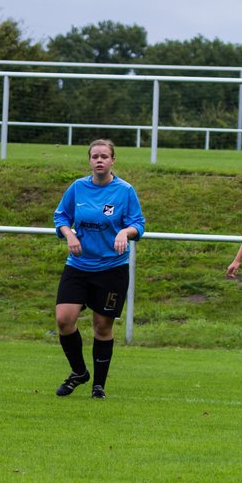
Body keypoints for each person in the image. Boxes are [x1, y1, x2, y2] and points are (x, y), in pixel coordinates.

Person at [51, 139, 146, 400]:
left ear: (113, 160)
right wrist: (68, 234)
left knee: (102, 327)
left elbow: (139, 224)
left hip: (112, 268)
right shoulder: (77, 188)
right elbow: (60, 216)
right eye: (95, 156)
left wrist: (125, 232)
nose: (99, 160)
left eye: (104, 156)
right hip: (79, 266)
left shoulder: (125, 191)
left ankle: (99, 386)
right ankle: (79, 373)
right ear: (89, 160)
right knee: (64, 319)